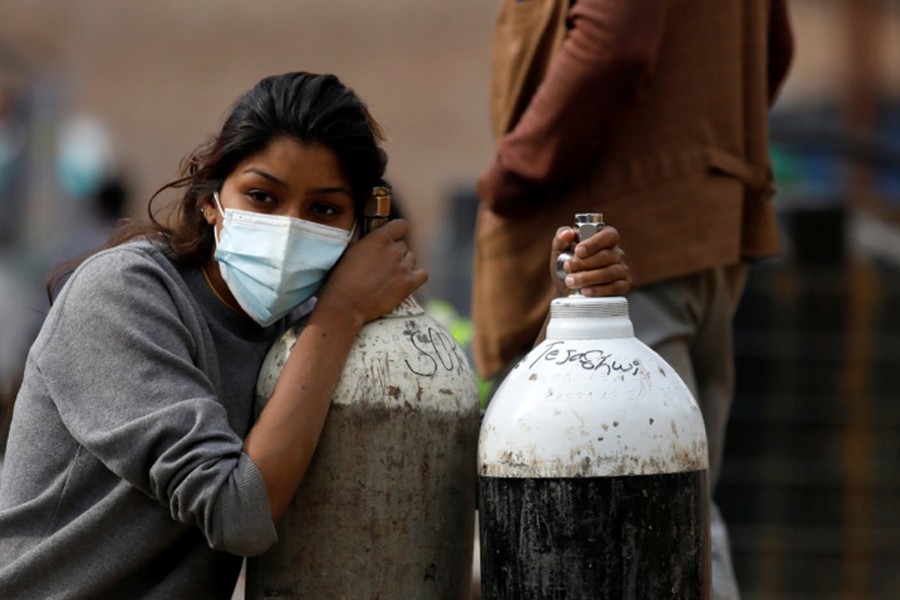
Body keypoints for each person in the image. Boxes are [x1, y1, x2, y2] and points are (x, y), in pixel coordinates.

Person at [0, 71, 426, 599]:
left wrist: (559, 310)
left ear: (356, 228)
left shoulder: (304, 326)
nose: (289, 228)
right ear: (210, 200)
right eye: (262, 197)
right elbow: (238, 512)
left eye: (323, 210)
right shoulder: (124, 295)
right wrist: (339, 315)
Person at [472, 1, 794, 598]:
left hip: (622, 237)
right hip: (710, 225)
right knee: (681, 502)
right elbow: (774, 48)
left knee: (648, 517)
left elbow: (614, 43)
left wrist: (513, 171)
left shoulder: (607, 253)